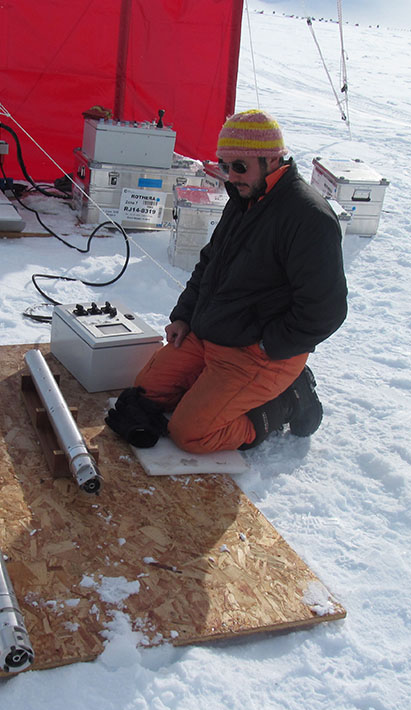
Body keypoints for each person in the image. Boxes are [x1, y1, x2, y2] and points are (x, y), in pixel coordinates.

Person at [106, 109, 347, 453]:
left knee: (190, 433)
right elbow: (210, 264)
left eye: (239, 166)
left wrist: (269, 346)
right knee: (147, 391)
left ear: (272, 159)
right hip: (210, 334)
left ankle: (287, 399)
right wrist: (184, 315)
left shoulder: (308, 217)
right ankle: (214, 392)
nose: (230, 176)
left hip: (257, 352)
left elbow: (326, 310)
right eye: (224, 165)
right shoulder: (245, 197)